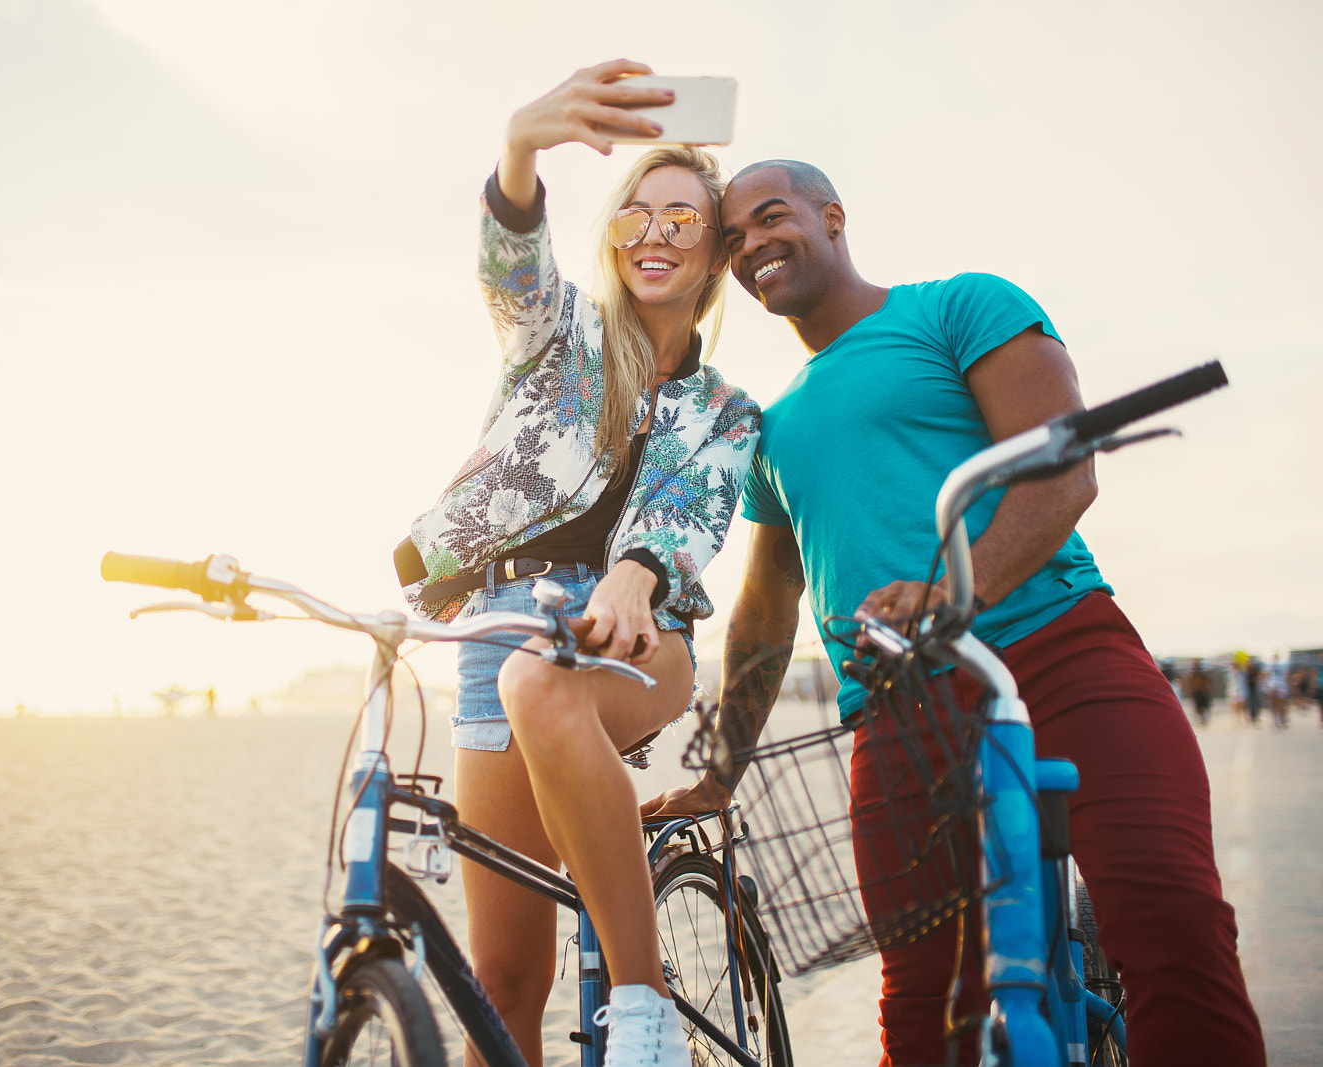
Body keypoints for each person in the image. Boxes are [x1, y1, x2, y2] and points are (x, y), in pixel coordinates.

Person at [643, 160, 1265, 1065]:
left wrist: (953, 591)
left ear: (832, 215)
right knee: (927, 1003)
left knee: (1173, 922)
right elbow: (766, 612)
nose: (751, 246)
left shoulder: (957, 305)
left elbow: (1061, 470)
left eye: (772, 217)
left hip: (1060, 650)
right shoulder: (771, 432)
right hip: (898, 712)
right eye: (731, 238)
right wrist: (721, 768)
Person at [398, 61, 760, 1067]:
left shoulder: (727, 412)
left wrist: (634, 576)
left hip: (644, 639)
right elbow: (510, 268)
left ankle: (642, 1009)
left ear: (718, 248)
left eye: (683, 218)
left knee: (543, 687)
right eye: (635, 215)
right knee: (502, 982)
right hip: (493, 626)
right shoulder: (556, 340)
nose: (653, 233)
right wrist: (520, 145)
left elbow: (685, 517)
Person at [1188, 658, 1213, 727]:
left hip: (1202, 691)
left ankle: (1203, 718)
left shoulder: (1202, 671)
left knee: (1203, 706)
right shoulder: (1193, 672)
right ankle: (1201, 718)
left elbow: (1206, 681)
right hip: (1197, 691)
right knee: (1199, 706)